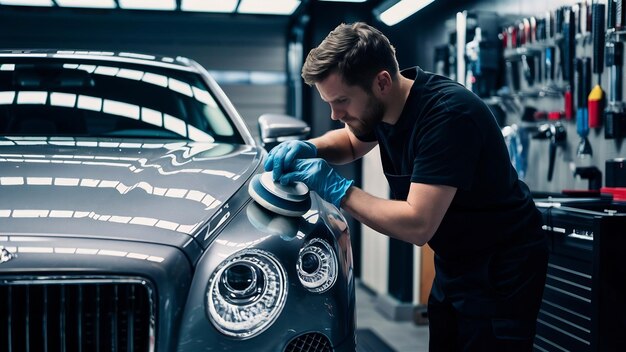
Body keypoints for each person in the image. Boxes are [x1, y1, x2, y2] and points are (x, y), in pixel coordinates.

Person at [265, 22, 548, 351]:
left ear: (382, 82)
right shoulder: (385, 108)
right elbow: (353, 142)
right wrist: (313, 147)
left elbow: (417, 224)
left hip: (503, 268)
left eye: (341, 101)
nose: (334, 114)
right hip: (456, 260)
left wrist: (336, 188)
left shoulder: (447, 117)